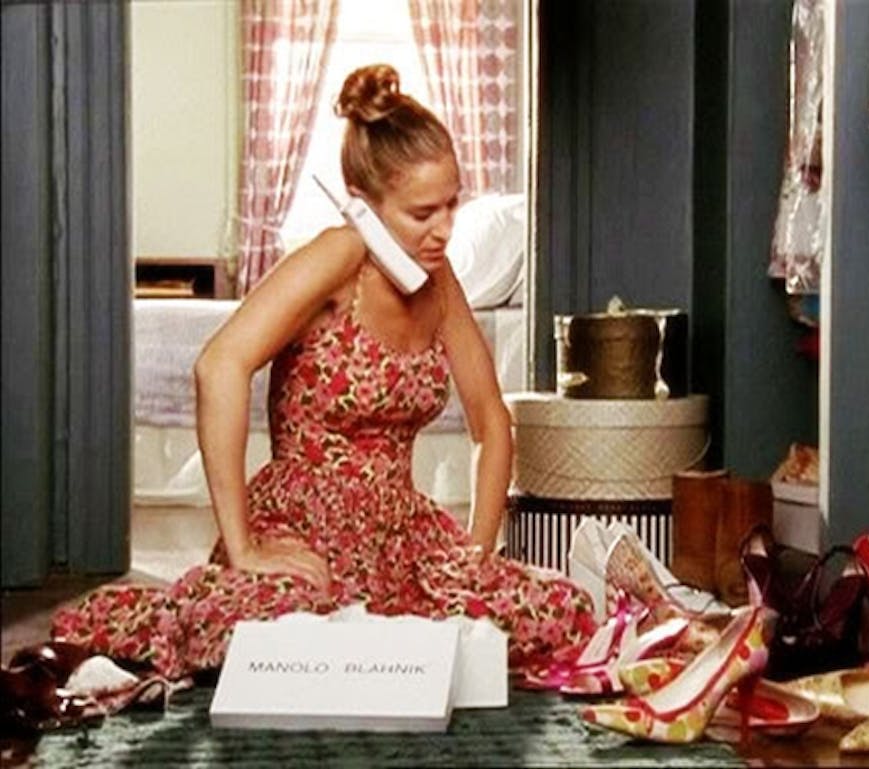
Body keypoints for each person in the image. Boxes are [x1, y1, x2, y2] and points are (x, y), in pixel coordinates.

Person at [52, 64, 596, 680]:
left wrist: (476, 549)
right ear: (362, 205)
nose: (445, 230)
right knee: (273, 633)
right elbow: (219, 365)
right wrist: (244, 544)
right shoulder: (338, 255)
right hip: (302, 528)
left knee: (560, 612)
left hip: (403, 538)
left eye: (453, 204)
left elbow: (491, 423)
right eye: (423, 213)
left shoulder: (439, 280)